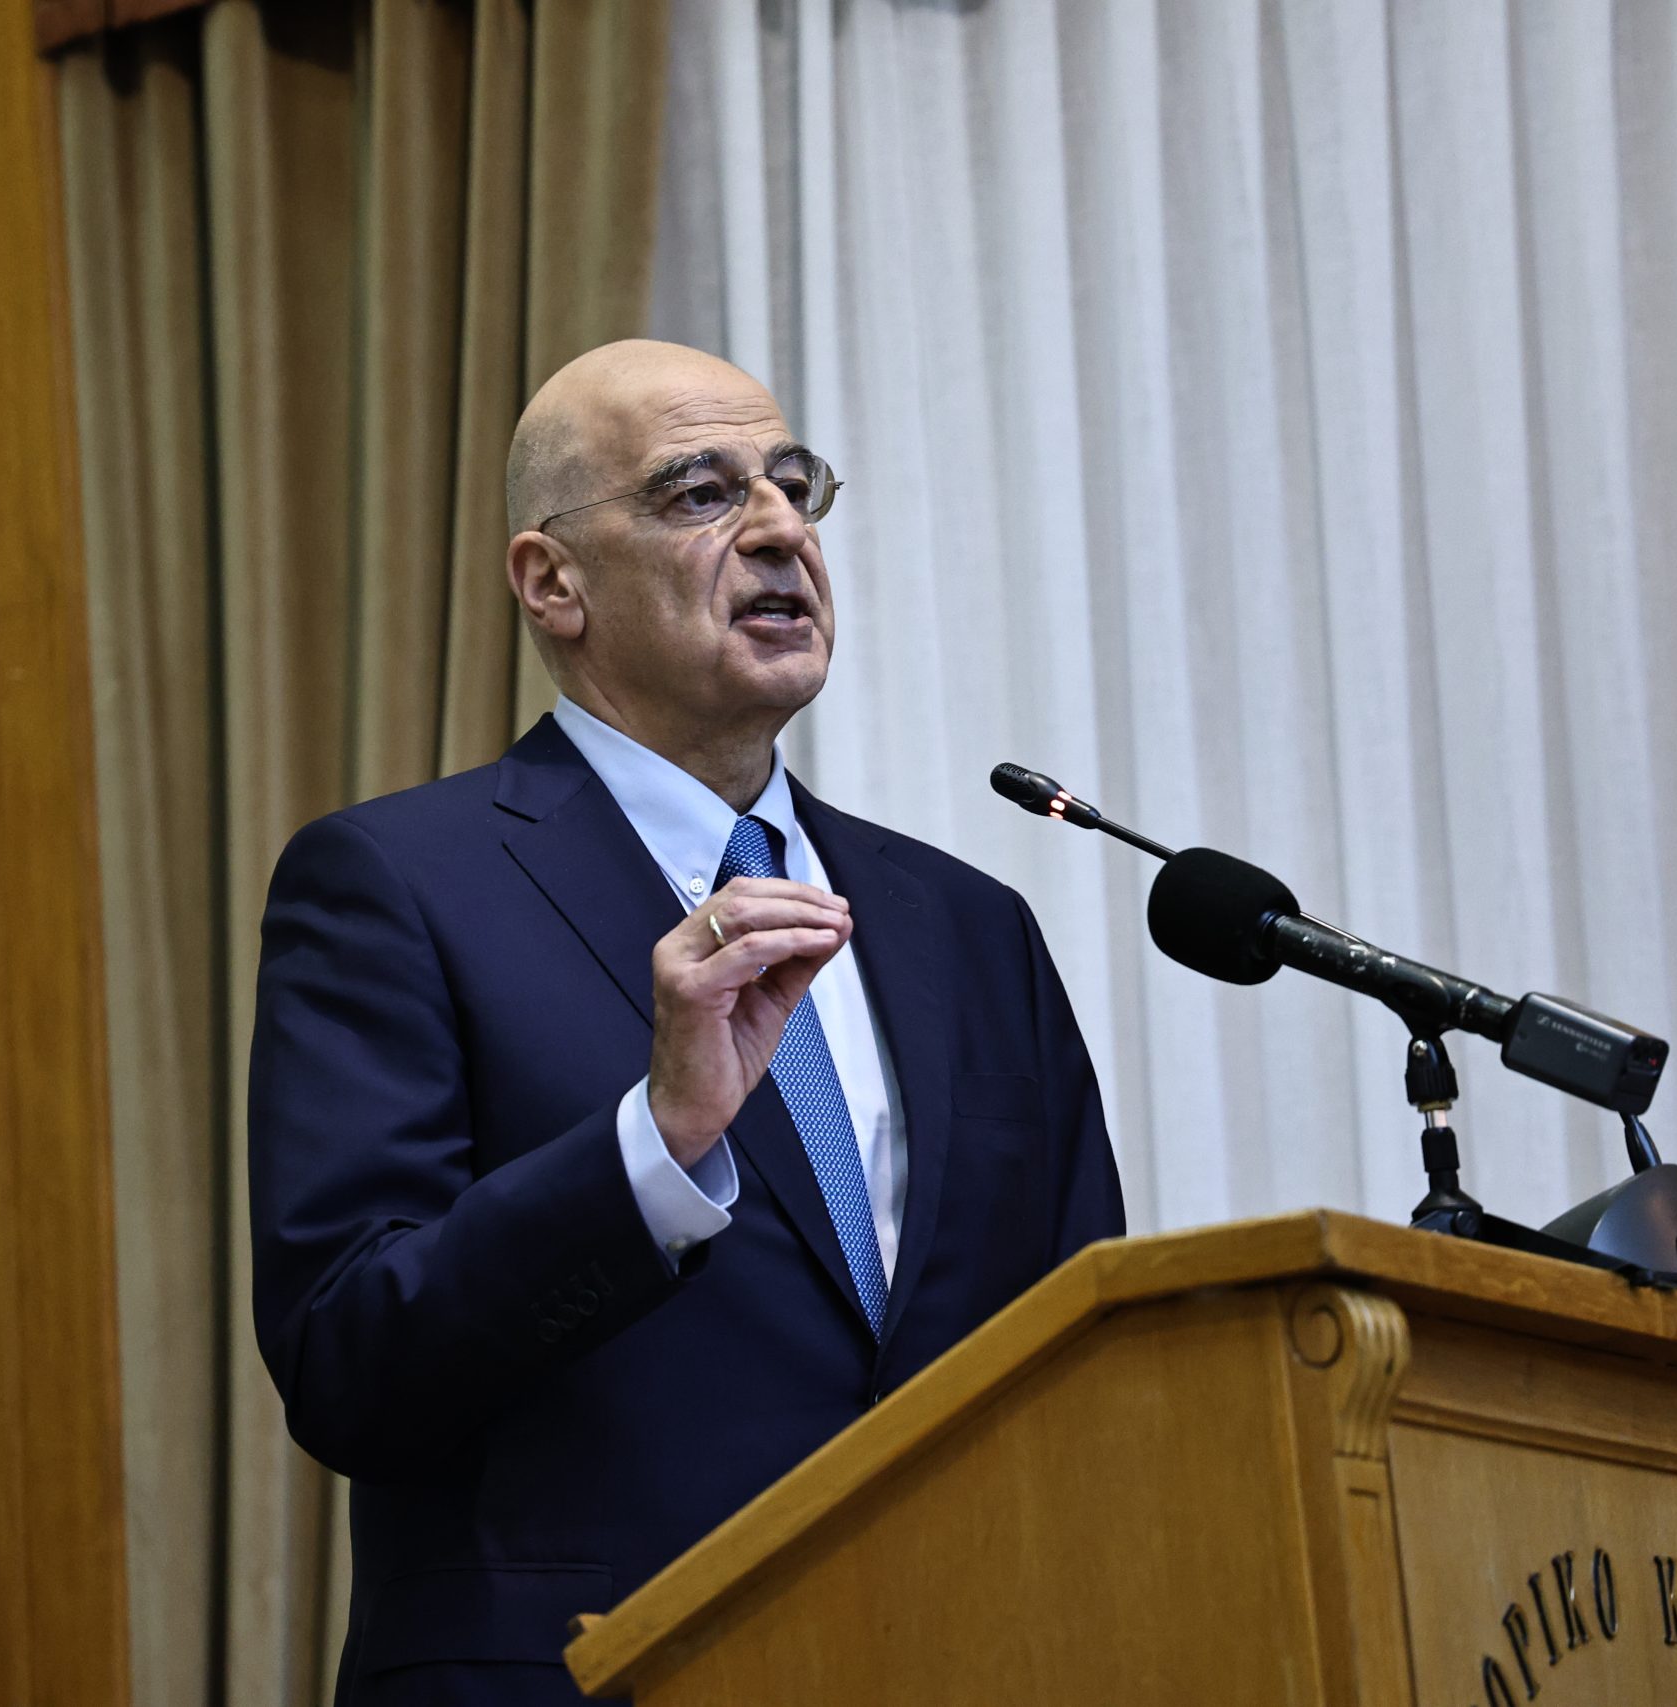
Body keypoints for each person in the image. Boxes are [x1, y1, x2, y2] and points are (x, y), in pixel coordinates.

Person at [249, 339, 1124, 1706]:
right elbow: (349, 1363)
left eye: (793, 485)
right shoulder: (397, 886)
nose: (780, 529)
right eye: (701, 493)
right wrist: (653, 1148)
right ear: (553, 583)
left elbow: (1087, 1358)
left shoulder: (968, 926)